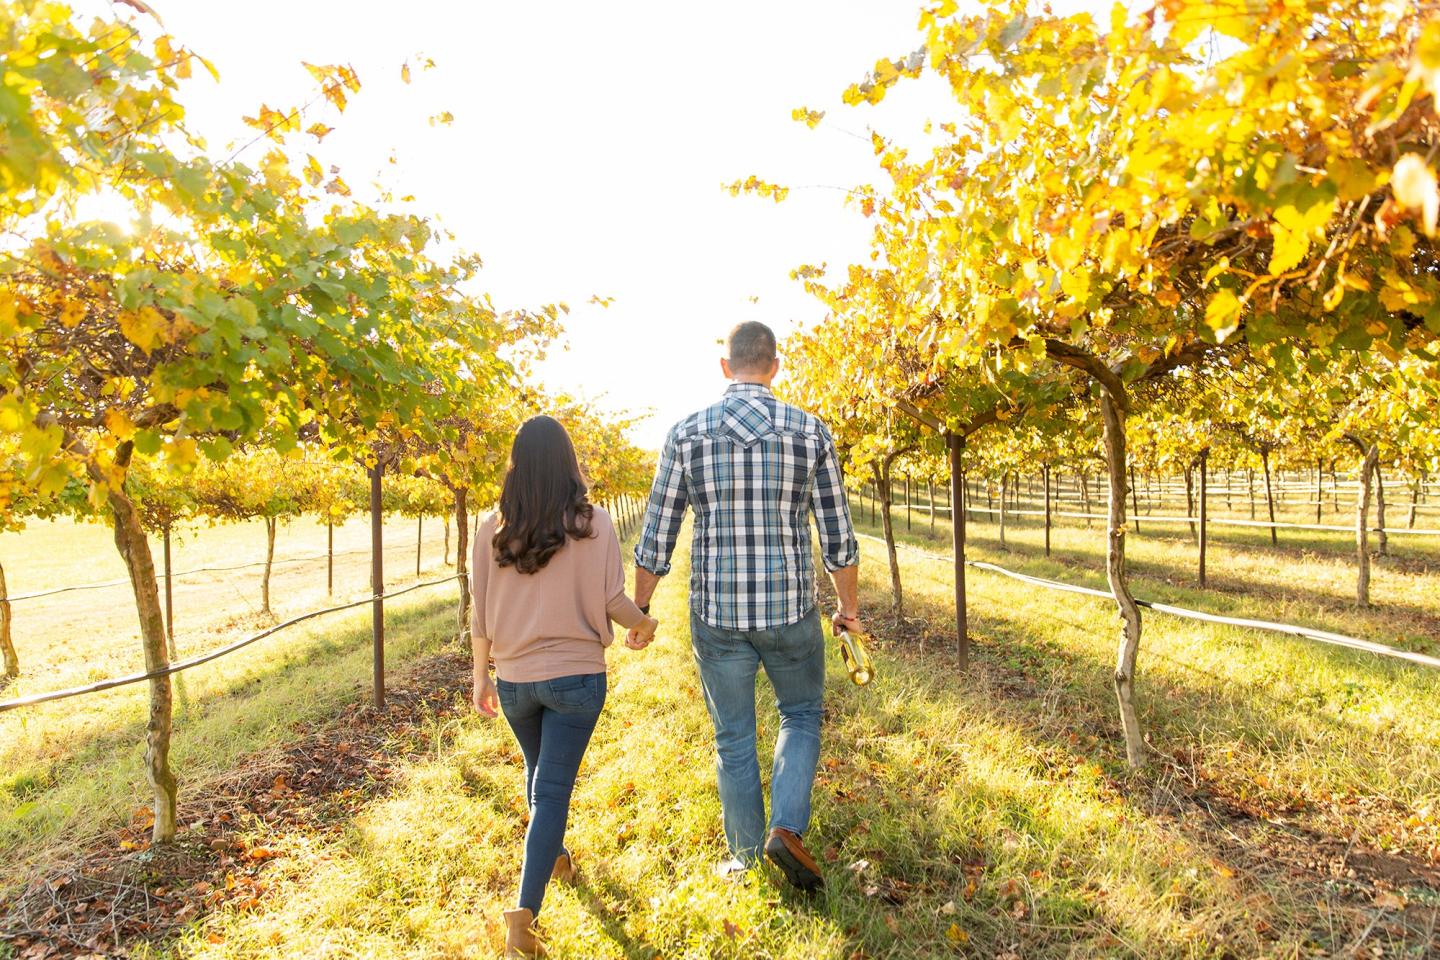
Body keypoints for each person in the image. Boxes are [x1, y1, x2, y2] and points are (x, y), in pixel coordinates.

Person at [631, 321, 862, 891]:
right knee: (801, 714)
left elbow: (658, 534)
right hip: (790, 610)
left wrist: (639, 609)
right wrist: (848, 609)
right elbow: (838, 536)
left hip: (719, 615)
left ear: (725, 366)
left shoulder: (686, 434)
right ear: (776, 366)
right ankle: (786, 828)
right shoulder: (811, 433)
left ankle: (744, 859)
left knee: (733, 736)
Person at [470, 415, 659, 958]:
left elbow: (479, 612)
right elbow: (613, 602)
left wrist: (481, 674)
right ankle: (523, 918)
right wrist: (643, 625)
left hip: (516, 681)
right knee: (550, 791)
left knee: (539, 778)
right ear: (568, 462)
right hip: (576, 679)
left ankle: (553, 856)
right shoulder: (593, 522)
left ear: (517, 464)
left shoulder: (492, 527)